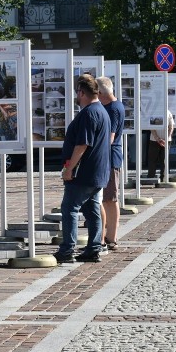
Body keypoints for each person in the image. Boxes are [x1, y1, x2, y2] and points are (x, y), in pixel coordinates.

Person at [54, 73, 111, 264]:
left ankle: (67, 249)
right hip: (98, 172)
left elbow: (82, 145)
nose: (77, 97)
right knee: (92, 209)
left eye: (77, 93)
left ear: (82, 92)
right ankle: (94, 248)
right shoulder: (102, 111)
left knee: (69, 207)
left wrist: (70, 168)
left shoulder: (88, 113)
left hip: (84, 172)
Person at [96, 76, 124, 252]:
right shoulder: (114, 105)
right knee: (107, 199)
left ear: (100, 93)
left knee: (109, 199)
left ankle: (109, 238)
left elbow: (110, 137)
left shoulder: (113, 108)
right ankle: (108, 237)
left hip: (109, 158)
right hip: (110, 158)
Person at [147, 109, 175, 181]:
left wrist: (158, 139)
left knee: (153, 160)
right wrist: (166, 138)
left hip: (154, 139)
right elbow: (171, 127)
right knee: (164, 160)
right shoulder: (168, 112)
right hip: (164, 140)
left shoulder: (154, 111)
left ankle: (151, 177)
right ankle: (164, 178)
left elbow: (152, 127)